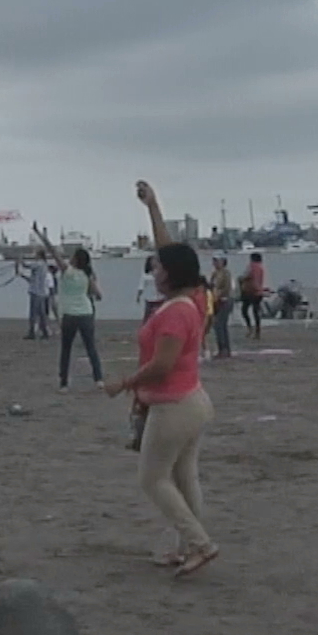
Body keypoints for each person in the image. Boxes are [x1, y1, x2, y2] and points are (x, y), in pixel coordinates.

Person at [106, 182, 216, 579]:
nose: (154, 270)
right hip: (192, 401)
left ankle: (200, 544)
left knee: (152, 479)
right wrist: (153, 206)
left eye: (158, 268)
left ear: (170, 275)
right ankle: (187, 546)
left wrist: (126, 383)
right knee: (185, 478)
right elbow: (169, 250)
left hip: (175, 405)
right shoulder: (194, 300)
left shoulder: (174, 313)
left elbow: (162, 366)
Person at [33, 225, 102, 392]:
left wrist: (41, 235)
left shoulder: (68, 271)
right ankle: (98, 379)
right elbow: (98, 295)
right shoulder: (87, 274)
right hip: (86, 312)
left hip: (70, 314)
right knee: (90, 347)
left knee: (66, 350)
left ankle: (64, 383)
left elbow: (53, 252)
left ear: (76, 260)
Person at [17, 252, 53, 340]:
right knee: (42, 314)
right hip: (41, 292)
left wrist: (21, 261)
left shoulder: (39, 264)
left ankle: (32, 332)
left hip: (36, 292)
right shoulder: (44, 265)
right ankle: (44, 332)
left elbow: (27, 266)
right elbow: (33, 278)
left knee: (33, 313)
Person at [207, 256, 235, 358]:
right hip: (216, 301)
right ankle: (223, 348)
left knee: (220, 324)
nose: (214, 263)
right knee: (218, 325)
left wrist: (220, 295)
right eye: (214, 261)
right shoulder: (215, 274)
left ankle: (224, 349)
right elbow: (211, 286)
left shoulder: (225, 273)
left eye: (217, 261)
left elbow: (227, 287)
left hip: (225, 300)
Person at [239, 253, 266, 339]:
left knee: (244, 310)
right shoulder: (261, 268)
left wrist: (240, 279)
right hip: (258, 291)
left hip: (249, 291)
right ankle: (257, 330)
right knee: (256, 312)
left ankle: (250, 328)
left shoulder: (251, 266)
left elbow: (246, 275)